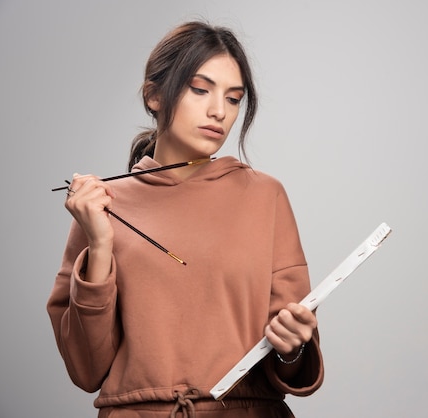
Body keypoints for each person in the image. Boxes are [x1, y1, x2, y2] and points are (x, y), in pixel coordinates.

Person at [47, 20, 324, 417]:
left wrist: (292, 346)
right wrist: (101, 244)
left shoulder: (265, 196)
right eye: (200, 90)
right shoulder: (100, 207)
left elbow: (292, 365)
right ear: (154, 95)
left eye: (233, 99)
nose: (219, 112)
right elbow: (86, 368)